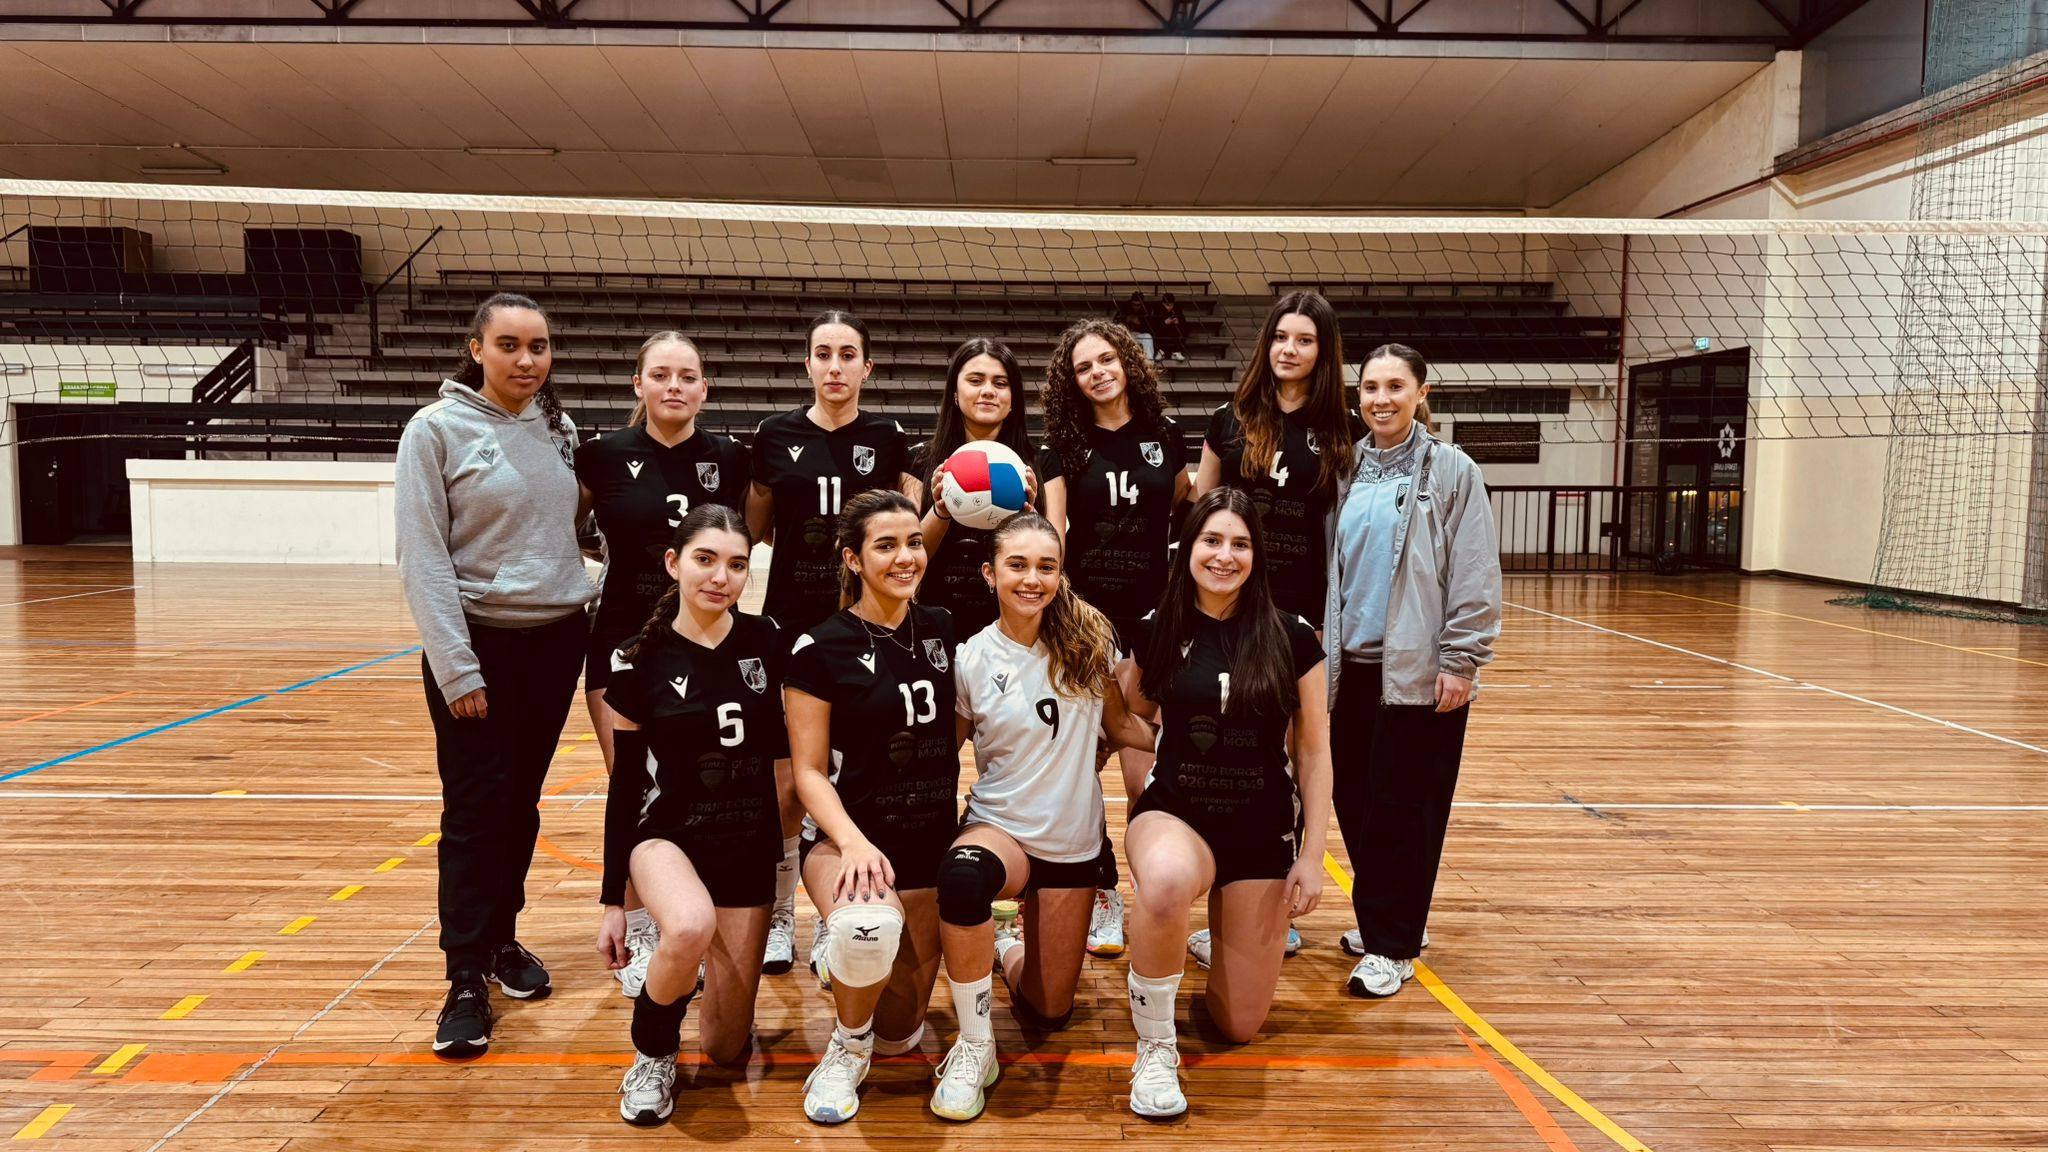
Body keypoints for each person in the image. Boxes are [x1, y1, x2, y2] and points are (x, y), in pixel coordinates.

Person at [395, 291, 595, 1057]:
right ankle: (464, 976)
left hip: (556, 644)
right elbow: (423, 557)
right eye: (509, 345)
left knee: (520, 805)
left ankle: (502, 939)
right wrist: (456, 668)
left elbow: (561, 535)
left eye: (538, 346)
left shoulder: (558, 428)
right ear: (476, 348)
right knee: (476, 812)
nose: (526, 360)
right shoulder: (434, 431)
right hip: (478, 646)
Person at [931, 511, 1155, 1121]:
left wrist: (1188, 742)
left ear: (1061, 574)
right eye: (1017, 565)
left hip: (1071, 842)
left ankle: (1005, 945)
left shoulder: (1089, 645)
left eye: (1046, 567)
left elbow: (1121, 727)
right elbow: (942, 754)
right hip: (999, 826)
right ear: (989, 574)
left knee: (1050, 1010)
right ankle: (975, 1043)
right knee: (963, 876)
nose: (1032, 579)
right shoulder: (972, 658)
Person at [1117, 487, 1332, 1118]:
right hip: (1178, 812)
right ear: (1188, 547)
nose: (1224, 556)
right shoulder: (1157, 629)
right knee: (1164, 882)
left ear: (1257, 555)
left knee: (1237, 1025)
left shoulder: (1293, 636)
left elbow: (1314, 752)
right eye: (1212, 540)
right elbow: (1135, 715)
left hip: (1261, 828)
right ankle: (1156, 1047)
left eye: (1240, 544)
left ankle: (1211, 940)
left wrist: (1313, 855)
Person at [595, 505, 784, 1126]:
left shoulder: (768, 641)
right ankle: (653, 1053)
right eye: (705, 559)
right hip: (669, 838)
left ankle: (686, 993)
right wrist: (613, 901)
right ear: (674, 563)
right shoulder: (637, 656)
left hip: (747, 846)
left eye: (737, 564)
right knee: (686, 926)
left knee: (726, 1049)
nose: (721, 577)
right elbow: (625, 784)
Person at [576, 332, 753, 993]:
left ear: (705, 389)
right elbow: (564, 528)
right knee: (632, 784)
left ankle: (692, 916)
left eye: (687, 376)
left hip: (708, 642)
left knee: (696, 785)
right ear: (638, 384)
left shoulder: (730, 458)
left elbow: (745, 538)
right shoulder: (600, 455)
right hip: (622, 641)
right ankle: (640, 930)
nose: (673, 385)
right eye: (660, 375)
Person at [1324, 343, 1500, 998]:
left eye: (1396, 386)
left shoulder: (1453, 471)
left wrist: (1461, 659)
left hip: (1419, 670)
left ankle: (1392, 944)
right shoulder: (1343, 470)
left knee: (1406, 808)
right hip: (1348, 669)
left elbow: (1475, 570)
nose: (1382, 399)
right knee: (1353, 799)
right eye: (1371, 387)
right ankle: (1391, 919)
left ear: (1422, 393)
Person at [782, 490, 960, 1124]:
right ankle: (845, 1046)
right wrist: (852, 842)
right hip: (851, 840)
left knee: (901, 1035)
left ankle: (853, 968)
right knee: (870, 931)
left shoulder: (941, 627)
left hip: (929, 839)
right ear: (853, 559)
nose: (906, 556)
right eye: (886, 546)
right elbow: (807, 771)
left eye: (913, 542)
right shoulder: (819, 646)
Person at [747, 310, 913, 978]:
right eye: (823, 353)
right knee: (790, 779)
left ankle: (833, 914)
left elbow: (903, 529)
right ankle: (781, 914)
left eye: (848, 354)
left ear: (867, 367)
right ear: (808, 364)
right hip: (791, 624)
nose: (835, 366)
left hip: (866, 625)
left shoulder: (889, 438)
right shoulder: (773, 435)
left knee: (854, 772)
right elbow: (758, 528)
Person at [1192, 291, 1357, 958]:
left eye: (1305, 340)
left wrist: (1326, 624)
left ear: (1323, 352)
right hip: (1225, 610)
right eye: (1281, 337)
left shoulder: (1343, 432)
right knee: (1225, 750)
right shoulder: (1228, 421)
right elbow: (1200, 516)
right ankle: (1223, 897)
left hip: (1298, 620)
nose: (1290, 349)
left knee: (1289, 754)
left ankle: (1272, 901)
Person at [1037, 317, 1190, 958]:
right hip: (1086, 625)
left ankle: (1150, 894)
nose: (1098, 373)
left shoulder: (1167, 436)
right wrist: (1066, 623)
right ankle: (1102, 892)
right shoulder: (1061, 449)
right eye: (1083, 367)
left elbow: (1184, 510)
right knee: (1081, 769)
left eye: (1106, 360)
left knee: (1140, 774)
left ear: (1128, 362)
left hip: (1153, 623)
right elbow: (1054, 533)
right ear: (1071, 382)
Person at [910, 338, 1034, 643]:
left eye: (1000, 383)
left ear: (1014, 398)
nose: (988, 390)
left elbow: (1053, 558)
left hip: (1014, 623)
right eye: (975, 380)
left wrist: (1031, 520)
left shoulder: (1040, 463)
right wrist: (940, 511)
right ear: (955, 392)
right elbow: (908, 556)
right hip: (934, 619)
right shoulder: (918, 459)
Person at [1116, 291, 1156, 360]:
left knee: (1148, 337)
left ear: (1142, 303)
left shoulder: (1147, 308)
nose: (1135, 307)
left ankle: (1149, 361)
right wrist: (1126, 319)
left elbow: (1151, 328)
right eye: (1134, 304)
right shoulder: (1125, 306)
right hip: (1127, 333)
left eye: (1138, 305)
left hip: (1141, 334)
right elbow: (1116, 321)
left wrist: (1139, 323)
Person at [1154, 293, 1189, 362]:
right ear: (1163, 304)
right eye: (1167, 305)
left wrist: (1178, 322)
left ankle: (1176, 352)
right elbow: (1153, 325)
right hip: (1162, 333)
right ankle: (1161, 351)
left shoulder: (1177, 308)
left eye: (1171, 305)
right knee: (1158, 329)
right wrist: (1164, 323)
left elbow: (1184, 322)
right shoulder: (1157, 309)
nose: (1169, 307)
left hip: (1174, 332)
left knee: (1184, 328)